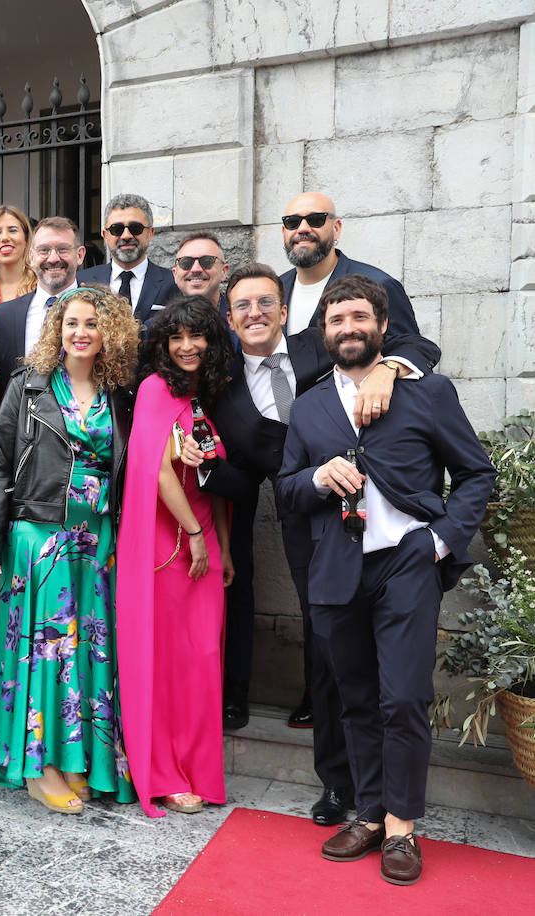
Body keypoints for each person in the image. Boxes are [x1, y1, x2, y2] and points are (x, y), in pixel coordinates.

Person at [182, 263, 441, 825]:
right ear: (230, 318)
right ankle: (337, 783)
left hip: (387, 530)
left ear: (284, 309)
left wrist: (389, 371)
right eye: (243, 305)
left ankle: (390, 793)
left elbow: (417, 344)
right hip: (306, 526)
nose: (255, 313)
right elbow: (241, 478)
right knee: (327, 655)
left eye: (266, 303)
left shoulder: (321, 343)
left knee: (387, 671)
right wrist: (202, 468)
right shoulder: (221, 386)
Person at [278, 275, 493, 885]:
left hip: (407, 561)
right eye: (336, 320)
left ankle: (402, 825)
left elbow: (476, 474)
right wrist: (318, 479)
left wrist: (440, 539)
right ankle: (368, 812)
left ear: (379, 326)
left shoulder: (427, 392)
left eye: (357, 318)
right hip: (336, 571)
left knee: (403, 697)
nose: (347, 328)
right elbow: (287, 489)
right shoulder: (311, 404)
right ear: (324, 333)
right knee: (356, 699)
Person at [0, 286, 141, 813]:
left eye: (92, 323)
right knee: (47, 651)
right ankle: (41, 766)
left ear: (108, 331)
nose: (81, 332)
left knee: (89, 652)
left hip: (95, 540)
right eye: (71, 322)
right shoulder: (29, 387)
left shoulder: (120, 394)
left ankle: (81, 762)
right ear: (57, 329)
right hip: (39, 536)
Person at [116, 295, 235, 816]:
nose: (187, 346)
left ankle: (198, 768)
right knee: (163, 661)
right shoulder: (154, 389)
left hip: (206, 539)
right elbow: (156, 471)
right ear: (163, 345)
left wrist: (223, 547)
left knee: (202, 659)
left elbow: (214, 482)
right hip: (168, 544)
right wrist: (194, 535)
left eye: (197, 336)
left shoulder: (207, 395)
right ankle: (163, 772)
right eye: (176, 337)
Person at [279, 192, 419, 336]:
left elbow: (411, 348)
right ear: (284, 232)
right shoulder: (275, 290)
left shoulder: (380, 285)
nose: (303, 229)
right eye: (292, 222)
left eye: (316, 220)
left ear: (336, 228)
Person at [0, 216, 86, 376]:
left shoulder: (100, 310)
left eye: (63, 249)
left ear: (79, 255)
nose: (53, 259)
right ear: (31, 257)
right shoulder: (4, 315)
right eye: (44, 250)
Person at [75, 193, 176, 320]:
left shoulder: (172, 282)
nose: (126, 235)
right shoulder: (81, 282)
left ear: (150, 233)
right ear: (105, 235)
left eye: (135, 228)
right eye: (117, 229)